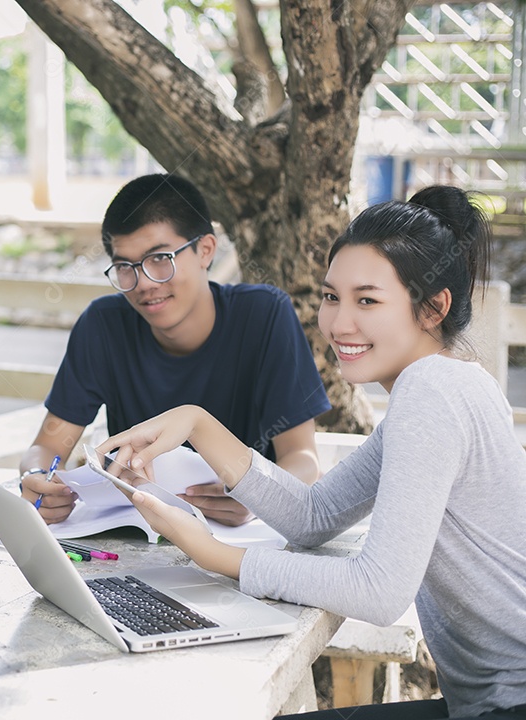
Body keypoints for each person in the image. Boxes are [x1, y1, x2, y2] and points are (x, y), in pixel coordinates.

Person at [102, 186, 526, 719]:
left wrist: (213, 555)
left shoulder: (432, 392)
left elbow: (378, 591)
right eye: (331, 297)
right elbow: (313, 515)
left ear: (433, 307)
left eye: (367, 300)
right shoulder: (449, 384)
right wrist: (198, 423)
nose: (339, 324)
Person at [20, 173, 330, 526]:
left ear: (205, 250)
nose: (144, 283)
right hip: (136, 532)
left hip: (237, 538)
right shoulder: (103, 325)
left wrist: (259, 497)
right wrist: (36, 476)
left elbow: (303, 458)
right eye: (125, 267)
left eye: (159, 258)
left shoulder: (264, 314)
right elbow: (46, 447)